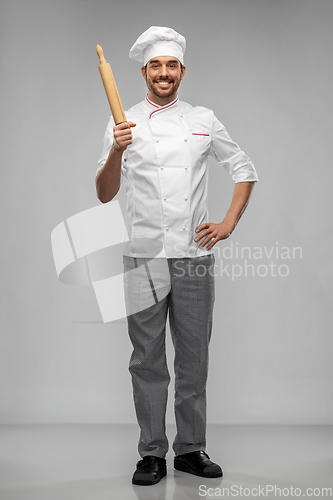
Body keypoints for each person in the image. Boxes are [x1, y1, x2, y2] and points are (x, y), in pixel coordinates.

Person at [96, 26, 258, 486]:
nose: (163, 73)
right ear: (144, 71)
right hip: (142, 256)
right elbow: (106, 193)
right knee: (146, 360)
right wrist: (116, 149)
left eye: (171, 66)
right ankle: (151, 453)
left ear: (181, 71)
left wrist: (228, 223)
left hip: (192, 257)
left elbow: (243, 168)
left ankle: (190, 449)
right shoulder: (121, 122)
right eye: (155, 66)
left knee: (194, 359)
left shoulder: (202, 118)